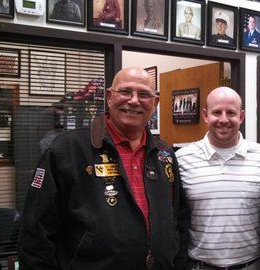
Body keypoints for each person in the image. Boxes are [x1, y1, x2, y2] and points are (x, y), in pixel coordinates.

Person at [18, 67, 190, 269]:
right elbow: (36, 235)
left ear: (155, 103)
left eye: (143, 94)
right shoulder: (67, 150)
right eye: (125, 92)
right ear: (109, 97)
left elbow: (178, 220)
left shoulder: (164, 155)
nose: (134, 100)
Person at [176, 87, 260, 269]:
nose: (223, 119)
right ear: (205, 115)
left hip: (253, 265)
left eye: (231, 113)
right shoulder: (182, 159)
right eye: (216, 112)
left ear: (241, 116)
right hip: (200, 266)